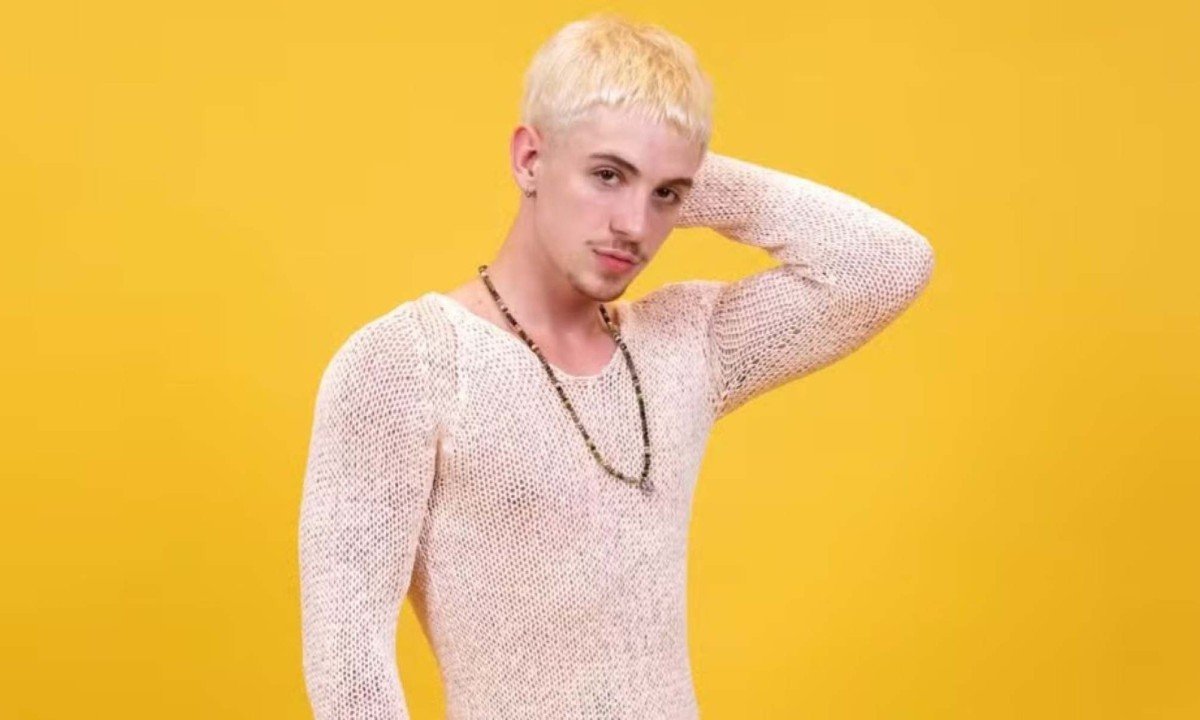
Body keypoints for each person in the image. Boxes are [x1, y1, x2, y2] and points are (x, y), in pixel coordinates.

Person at [298, 11, 935, 719]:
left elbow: (886, 265)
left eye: (666, 195)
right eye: (607, 174)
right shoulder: (407, 365)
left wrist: (679, 164)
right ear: (530, 159)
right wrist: (652, 162)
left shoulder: (685, 345)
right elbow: (348, 662)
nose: (635, 226)